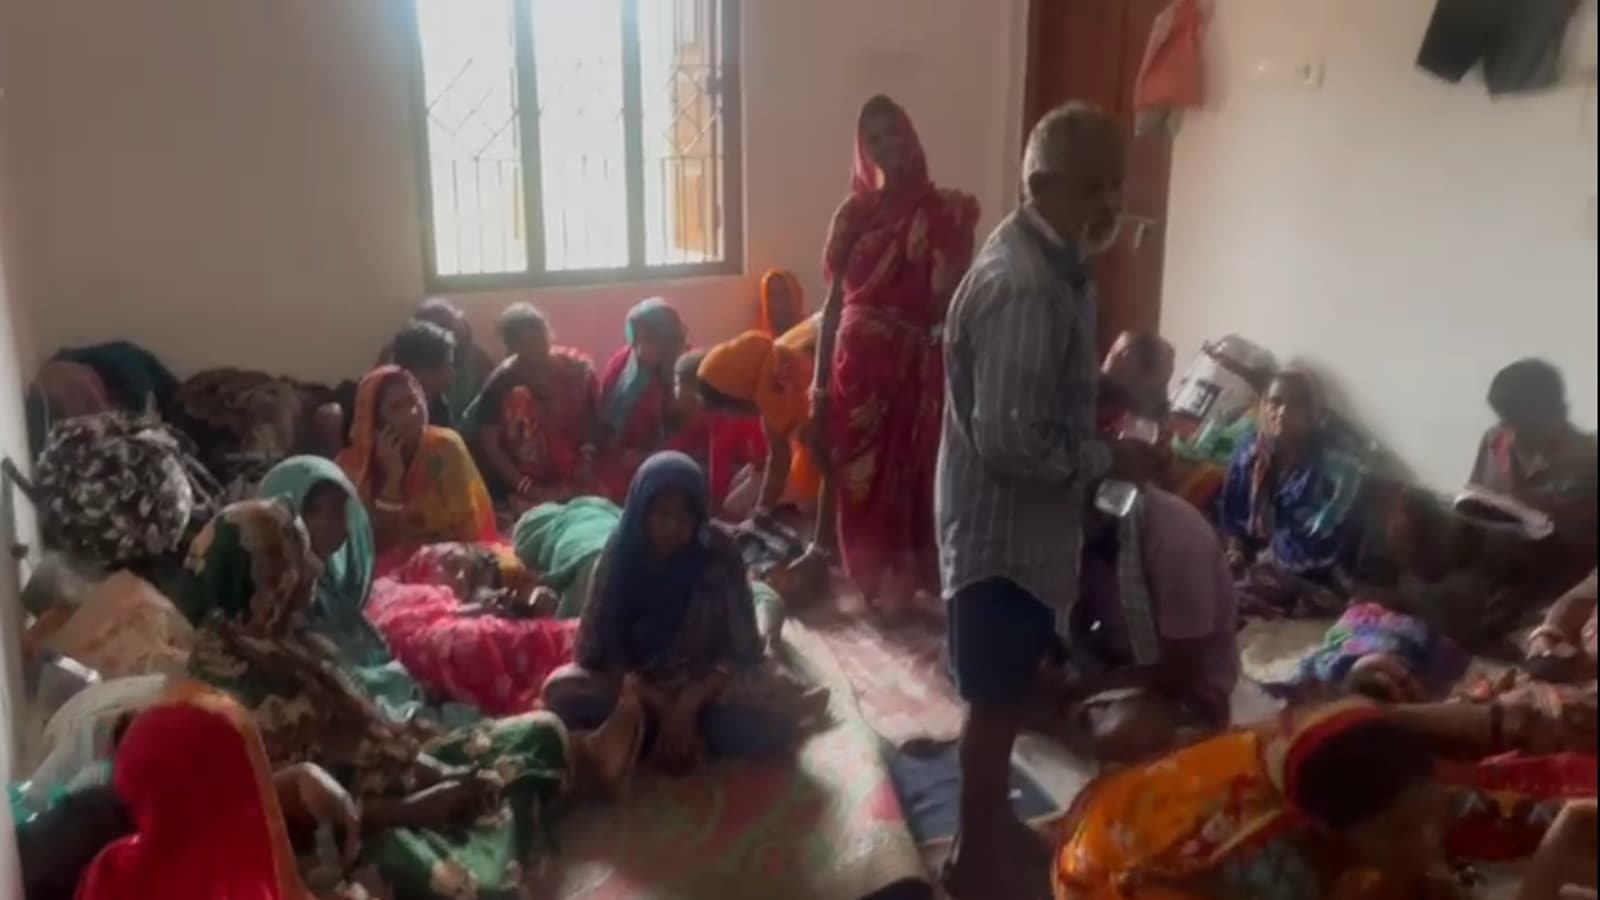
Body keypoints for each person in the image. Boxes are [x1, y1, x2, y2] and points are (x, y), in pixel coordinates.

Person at [180, 498, 644, 898]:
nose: (314, 572)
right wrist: (421, 806)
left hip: (393, 773)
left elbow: (373, 733)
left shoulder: (286, 639)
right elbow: (299, 824)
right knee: (471, 887)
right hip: (357, 831)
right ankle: (562, 785)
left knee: (538, 730)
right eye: (298, 563)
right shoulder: (233, 700)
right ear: (263, 582)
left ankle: (573, 774)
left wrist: (440, 773)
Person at [937, 102, 1130, 900]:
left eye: (1115, 187)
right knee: (993, 700)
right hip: (1001, 536)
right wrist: (1109, 455)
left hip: (1024, 530)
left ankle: (990, 829)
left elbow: (1040, 392)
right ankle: (971, 860)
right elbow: (1011, 442)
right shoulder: (1023, 286)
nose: (1109, 206)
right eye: (1093, 187)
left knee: (1009, 689)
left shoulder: (1055, 265)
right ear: (1043, 183)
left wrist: (1107, 393)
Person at [1051, 699, 1516, 900]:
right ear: (1325, 827)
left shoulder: (1313, 748)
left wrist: (1429, 866)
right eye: (1399, 831)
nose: (1426, 840)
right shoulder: (1269, 867)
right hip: (1103, 878)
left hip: (1131, 813)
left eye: (1427, 819)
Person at [541, 452, 825, 772]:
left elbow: (743, 647)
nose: (673, 528)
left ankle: (650, 736)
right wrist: (659, 704)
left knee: (780, 695)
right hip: (639, 688)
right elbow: (593, 649)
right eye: (661, 514)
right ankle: (679, 732)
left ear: (700, 514)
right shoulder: (620, 555)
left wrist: (690, 702)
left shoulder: (720, 552)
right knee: (561, 693)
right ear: (641, 511)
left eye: (685, 516)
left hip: (706, 685)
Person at [810, 94, 980, 609]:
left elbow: (949, 301)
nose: (887, 146)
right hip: (853, 369)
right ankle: (868, 575)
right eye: (874, 138)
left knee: (909, 473)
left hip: (911, 368)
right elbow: (834, 305)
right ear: (863, 149)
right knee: (854, 474)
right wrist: (818, 385)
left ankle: (900, 581)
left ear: (911, 133)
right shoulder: (854, 215)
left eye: (893, 131)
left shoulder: (943, 212)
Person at [1064, 487, 1239, 764]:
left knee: (1124, 736)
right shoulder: (1079, 534)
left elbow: (1179, 672)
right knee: (999, 700)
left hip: (1182, 688)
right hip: (1113, 667)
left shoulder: (1176, 539)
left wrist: (1086, 687)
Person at [366, 541, 580, 715]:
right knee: (472, 639)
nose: (458, 577)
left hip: (445, 646)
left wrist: (520, 610)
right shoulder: (384, 589)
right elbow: (395, 627)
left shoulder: (459, 610)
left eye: (467, 580)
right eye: (451, 564)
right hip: (431, 649)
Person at [1218, 369, 1364, 618]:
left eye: (1296, 404)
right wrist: (1235, 550)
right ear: (1263, 406)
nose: (1283, 412)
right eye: (1275, 402)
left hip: (1318, 569)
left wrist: (1265, 566)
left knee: (1229, 599)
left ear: (1313, 415)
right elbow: (1233, 509)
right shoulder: (1250, 451)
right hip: (1262, 560)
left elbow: (1323, 540)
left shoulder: (1332, 462)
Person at [336, 366, 496, 553]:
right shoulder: (350, 467)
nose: (413, 413)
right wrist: (392, 480)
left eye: (414, 400)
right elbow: (368, 545)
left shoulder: (444, 448)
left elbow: (468, 529)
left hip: (445, 559)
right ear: (375, 421)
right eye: (396, 407)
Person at [1469, 358, 1598, 588]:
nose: (1514, 435)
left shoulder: (1587, 462)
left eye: (1525, 422)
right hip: (1490, 579)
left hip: (1557, 589)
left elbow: (1575, 548)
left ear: (1559, 412)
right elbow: (1473, 504)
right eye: (1507, 421)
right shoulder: (1495, 440)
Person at [463, 303, 601, 510]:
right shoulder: (503, 381)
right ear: (514, 348)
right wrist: (527, 487)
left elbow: (593, 420)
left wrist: (587, 459)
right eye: (526, 341)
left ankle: (568, 488)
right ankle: (545, 494)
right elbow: (490, 445)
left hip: (575, 463)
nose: (536, 346)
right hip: (526, 475)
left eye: (539, 336)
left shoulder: (576, 368)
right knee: (520, 399)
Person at [695, 327, 824, 515]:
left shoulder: (781, 383)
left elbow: (783, 461)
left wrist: (762, 511)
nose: (730, 416)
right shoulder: (769, 365)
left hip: (844, 447)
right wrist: (762, 509)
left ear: (736, 392)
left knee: (808, 504)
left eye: (726, 408)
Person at [597, 298, 688, 498]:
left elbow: (692, 433)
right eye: (635, 338)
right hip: (621, 454)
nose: (637, 346)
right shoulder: (623, 362)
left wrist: (651, 455)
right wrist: (615, 447)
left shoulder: (687, 372)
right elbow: (605, 416)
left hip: (669, 455)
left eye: (646, 339)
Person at [668, 349, 766, 518]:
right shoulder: (704, 409)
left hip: (763, 467)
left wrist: (713, 511)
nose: (675, 391)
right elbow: (684, 439)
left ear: (694, 388)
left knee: (729, 508)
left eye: (679, 383)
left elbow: (719, 466)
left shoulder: (722, 415)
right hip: (748, 464)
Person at [389, 319, 457, 430]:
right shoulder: (396, 406)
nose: (452, 373)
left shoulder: (439, 404)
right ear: (421, 370)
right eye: (447, 365)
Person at [758, 268, 806, 337]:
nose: (778, 303)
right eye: (772, 295)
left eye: (783, 295)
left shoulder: (809, 332)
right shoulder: (758, 337)